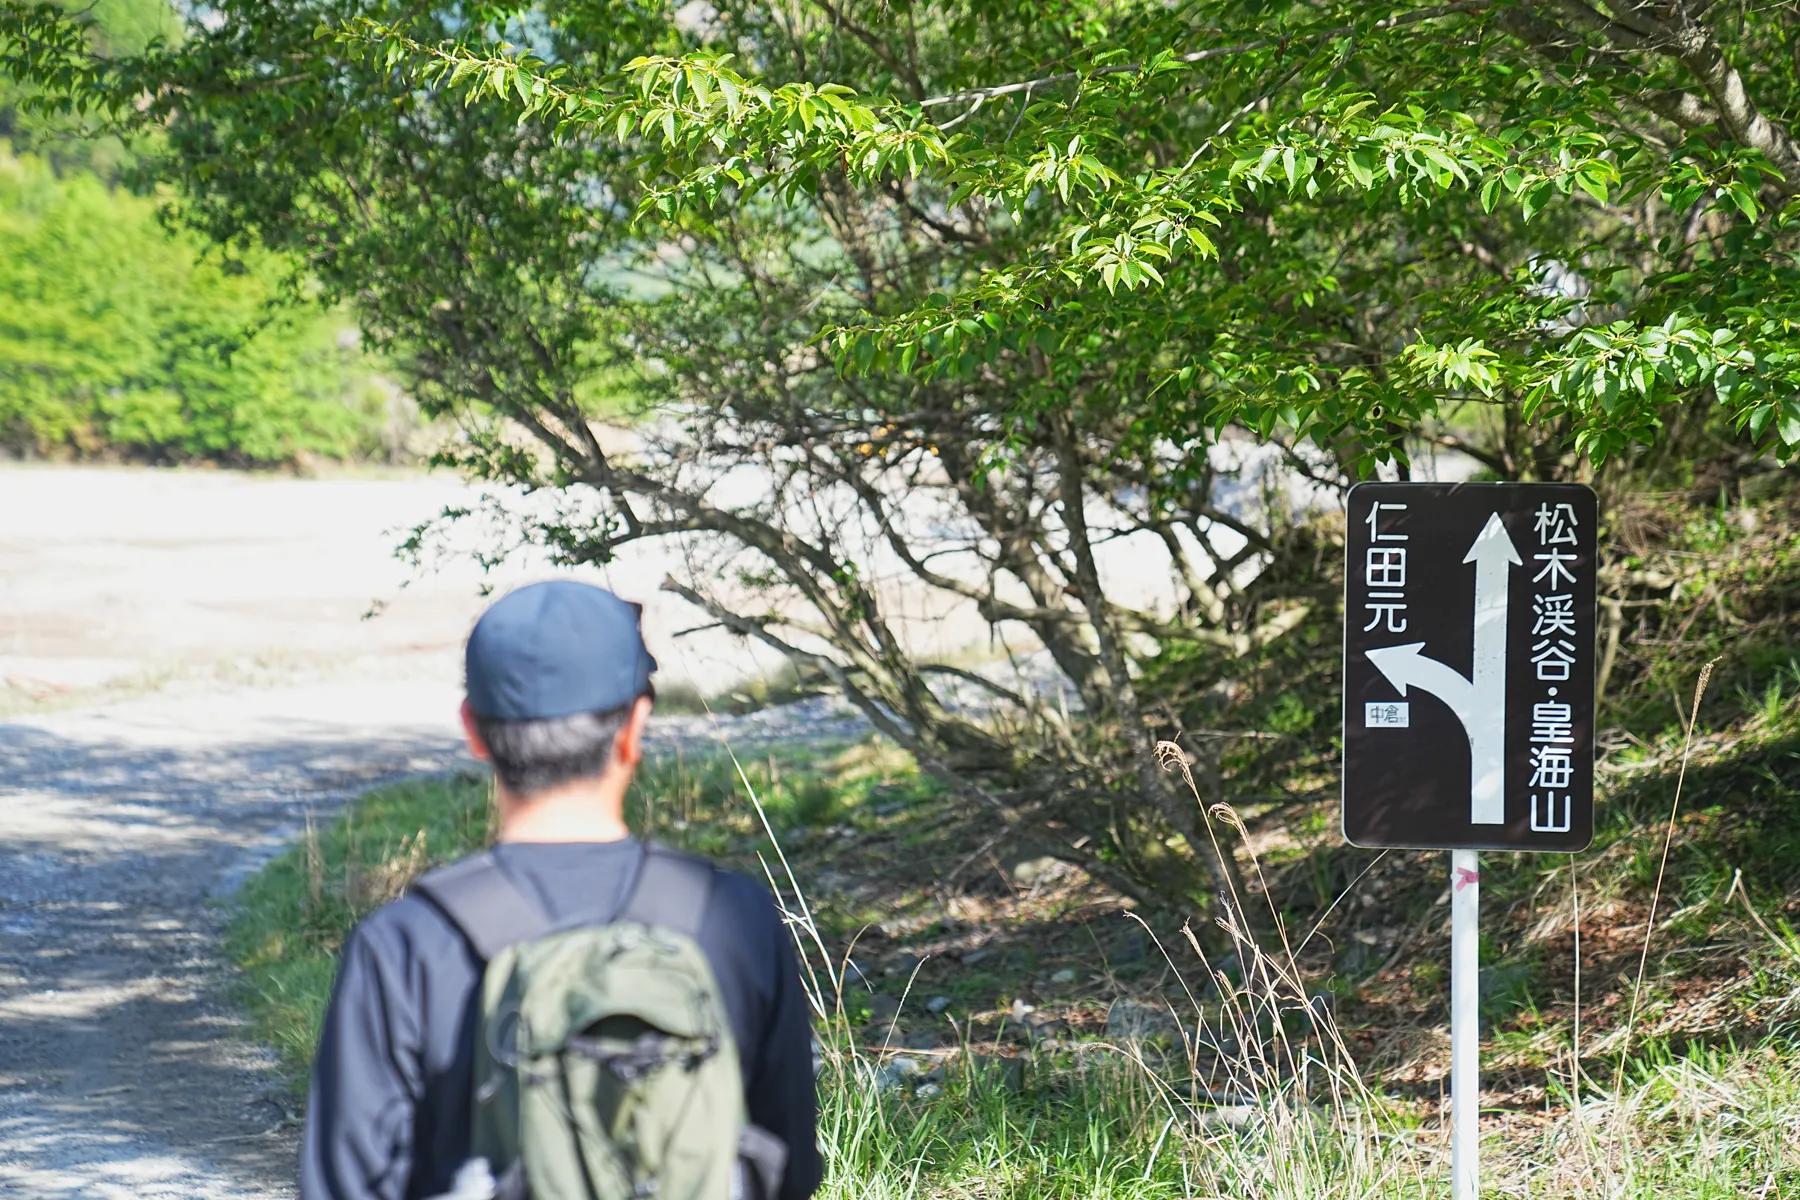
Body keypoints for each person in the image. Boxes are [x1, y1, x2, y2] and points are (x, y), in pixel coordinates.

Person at [301, 580, 822, 1200]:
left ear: (473, 731)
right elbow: (788, 1167)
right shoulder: (735, 920)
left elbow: (343, 1185)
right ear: (635, 726)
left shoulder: (402, 946)